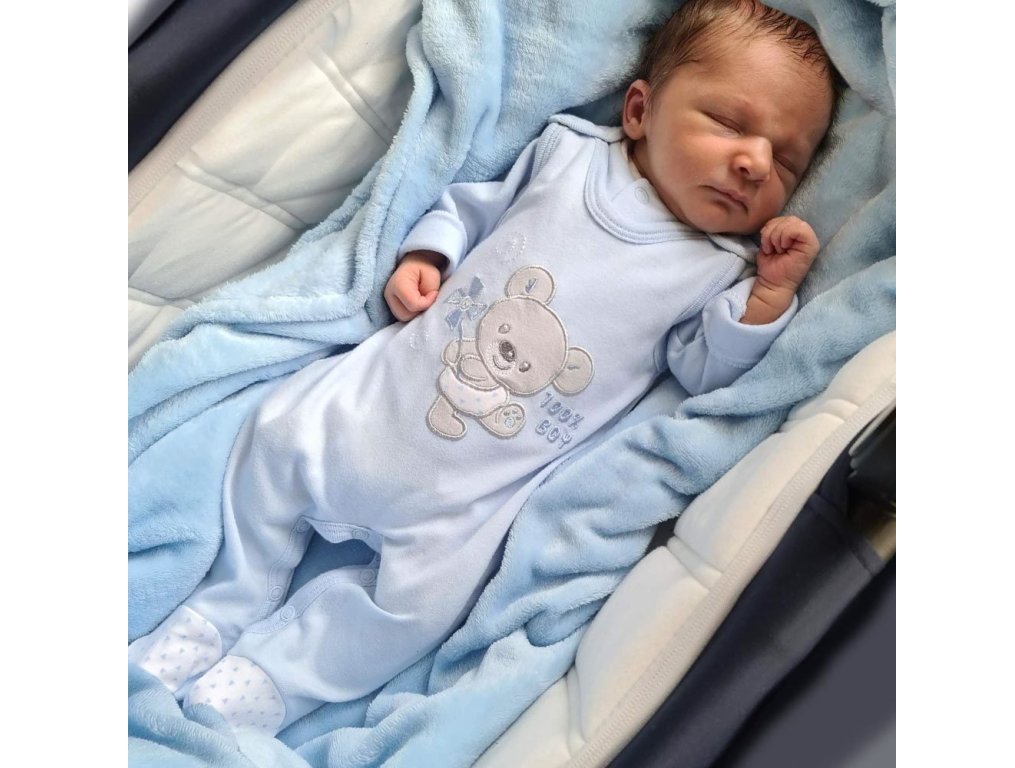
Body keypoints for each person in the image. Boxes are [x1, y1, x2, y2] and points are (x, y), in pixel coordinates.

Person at [128, 0, 839, 735]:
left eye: (787, 160)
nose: (755, 162)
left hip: (463, 506)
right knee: (271, 442)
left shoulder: (715, 273)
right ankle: (220, 610)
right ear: (639, 111)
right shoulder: (566, 155)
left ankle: (270, 680)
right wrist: (427, 254)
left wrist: (766, 301)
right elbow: (469, 207)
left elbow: (706, 376)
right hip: (366, 408)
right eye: (727, 122)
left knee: (421, 611)